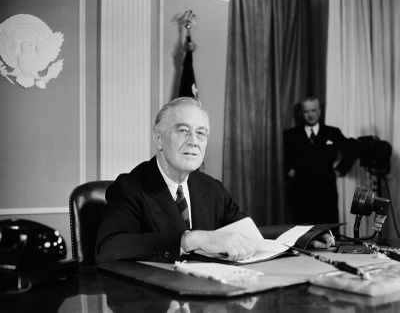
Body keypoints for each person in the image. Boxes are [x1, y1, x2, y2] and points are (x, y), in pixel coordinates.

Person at [96, 97, 333, 264]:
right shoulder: (131, 187)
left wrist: (302, 238)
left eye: (201, 133)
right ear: (159, 139)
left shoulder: (211, 188)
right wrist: (190, 239)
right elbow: (108, 248)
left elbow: (247, 234)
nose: (194, 141)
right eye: (182, 130)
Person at [283, 97, 356, 226]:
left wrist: (339, 170)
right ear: (300, 113)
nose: (310, 115)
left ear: (320, 111)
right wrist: (289, 170)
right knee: (302, 230)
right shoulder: (290, 135)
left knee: (329, 229)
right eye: (306, 111)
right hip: (301, 190)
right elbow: (282, 156)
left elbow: (351, 151)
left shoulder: (332, 132)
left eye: (313, 110)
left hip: (326, 189)